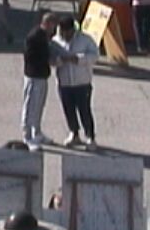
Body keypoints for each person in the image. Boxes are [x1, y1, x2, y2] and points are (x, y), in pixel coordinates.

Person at [52, 16, 100, 149]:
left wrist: (78, 59)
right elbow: (51, 59)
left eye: (68, 32)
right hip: (64, 83)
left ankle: (90, 136)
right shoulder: (55, 41)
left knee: (84, 110)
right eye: (63, 32)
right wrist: (60, 61)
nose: (65, 35)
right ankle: (74, 133)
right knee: (68, 109)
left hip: (82, 82)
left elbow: (95, 56)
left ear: (73, 30)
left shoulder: (85, 39)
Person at [22, 14, 58, 146]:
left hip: (42, 76)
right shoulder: (34, 37)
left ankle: (37, 131)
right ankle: (27, 136)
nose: (54, 30)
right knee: (30, 106)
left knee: (39, 106)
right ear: (48, 24)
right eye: (53, 26)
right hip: (34, 76)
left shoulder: (43, 36)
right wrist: (50, 61)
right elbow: (31, 57)